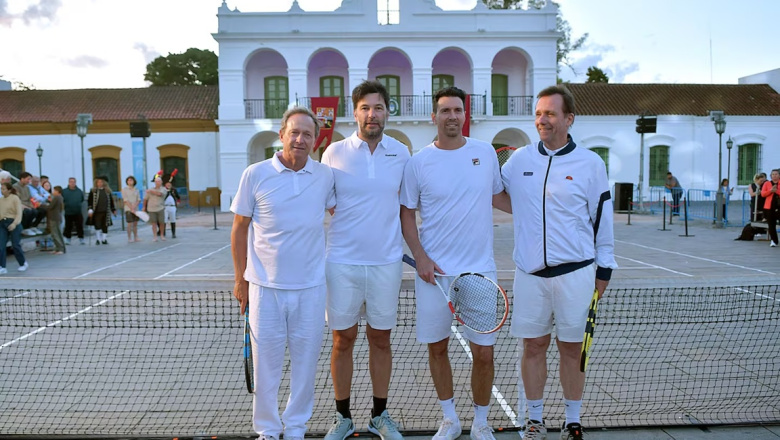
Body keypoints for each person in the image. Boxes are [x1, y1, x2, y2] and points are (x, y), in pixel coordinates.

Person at [500, 85, 617, 440]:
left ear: (569, 119)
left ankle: (573, 420)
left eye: (550, 113)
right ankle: (534, 420)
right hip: (530, 275)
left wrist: (605, 268)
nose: (542, 120)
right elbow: (495, 194)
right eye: (538, 113)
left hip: (577, 274)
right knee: (533, 347)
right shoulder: (518, 160)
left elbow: (603, 218)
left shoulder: (591, 163)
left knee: (572, 349)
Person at [400, 87, 506, 440]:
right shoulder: (418, 162)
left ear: (465, 114)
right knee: (438, 348)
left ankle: (480, 422)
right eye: (444, 110)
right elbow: (406, 214)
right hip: (435, 276)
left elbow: (500, 196)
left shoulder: (485, 153)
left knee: (485, 354)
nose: (452, 116)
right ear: (434, 116)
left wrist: (544, 202)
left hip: (480, 273)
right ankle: (450, 419)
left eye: (457, 110)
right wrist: (421, 258)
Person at [230, 107, 335, 440]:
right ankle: (268, 430)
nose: (300, 139)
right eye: (294, 132)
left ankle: (296, 428)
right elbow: (239, 228)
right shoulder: (255, 174)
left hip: (311, 289)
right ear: (282, 134)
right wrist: (240, 280)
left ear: (315, 139)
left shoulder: (325, 176)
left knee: (305, 367)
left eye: (307, 134)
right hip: (264, 289)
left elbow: (347, 211)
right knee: (266, 367)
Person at [320, 80, 410, 440]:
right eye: (365, 108)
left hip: (387, 263)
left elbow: (408, 206)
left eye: (379, 108)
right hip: (341, 262)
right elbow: (326, 202)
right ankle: (342, 417)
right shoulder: (334, 152)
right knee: (343, 339)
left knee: (381, 339)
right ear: (354, 112)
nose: (372, 114)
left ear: (387, 112)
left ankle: (379, 415)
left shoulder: (401, 153)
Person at [0, 182, 28, 273]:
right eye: (1, 188)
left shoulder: (15, 198)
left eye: (3, 189)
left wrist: (14, 224)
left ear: (9, 190)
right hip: (2, 223)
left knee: (15, 245)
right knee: (1, 245)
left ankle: (23, 263)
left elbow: (19, 213)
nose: (2, 190)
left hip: (13, 222)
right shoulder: (1, 200)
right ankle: (2, 266)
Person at [87, 176, 116, 245]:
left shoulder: (107, 191)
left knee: (105, 225)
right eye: (98, 182)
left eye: (101, 182)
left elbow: (111, 201)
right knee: (97, 225)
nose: (100, 183)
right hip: (97, 211)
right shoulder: (93, 191)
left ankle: (104, 239)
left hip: (106, 211)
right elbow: (90, 201)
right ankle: (98, 239)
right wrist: (90, 209)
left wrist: (113, 209)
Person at [63, 177, 85, 245]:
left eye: (73, 182)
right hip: (68, 212)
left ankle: (81, 238)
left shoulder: (79, 191)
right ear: (68, 182)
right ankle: (68, 239)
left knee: (79, 225)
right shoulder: (64, 191)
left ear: (75, 182)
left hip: (77, 211)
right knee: (68, 226)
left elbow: (82, 199)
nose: (72, 183)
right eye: (71, 182)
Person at [144, 177, 167, 242]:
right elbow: (145, 199)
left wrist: (151, 191)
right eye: (156, 181)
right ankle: (155, 236)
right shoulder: (150, 189)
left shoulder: (163, 189)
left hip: (160, 208)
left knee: (161, 222)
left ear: (161, 182)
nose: (157, 183)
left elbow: (160, 194)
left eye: (159, 181)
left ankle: (162, 235)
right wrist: (144, 207)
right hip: (151, 209)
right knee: (153, 223)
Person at [761, 169, 780, 247]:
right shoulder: (767, 183)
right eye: (773, 174)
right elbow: (763, 194)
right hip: (769, 207)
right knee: (771, 225)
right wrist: (771, 191)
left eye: (776, 174)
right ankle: (774, 240)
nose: (774, 176)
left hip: (779, 206)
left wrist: (776, 191)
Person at [46, 185, 66, 255]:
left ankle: (60, 248)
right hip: (57, 217)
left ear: (58, 191)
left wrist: (40, 205)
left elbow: (50, 207)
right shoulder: (60, 198)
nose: (53, 192)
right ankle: (58, 248)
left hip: (54, 217)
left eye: (54, 190)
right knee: (58, 233)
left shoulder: (56, 197)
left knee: (55, 234)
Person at [122, 176, 142, 242]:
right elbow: (125, 200)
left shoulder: (136, 190)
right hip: (128, 209)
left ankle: (136, 237)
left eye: (131, 180)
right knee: (129, 223)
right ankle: (129, 238)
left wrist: (134, 207)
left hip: (136, 209)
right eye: (128, 180)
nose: (130, 181)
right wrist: (131, 208)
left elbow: (138, 199)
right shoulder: (124, 190)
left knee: (135, 224)